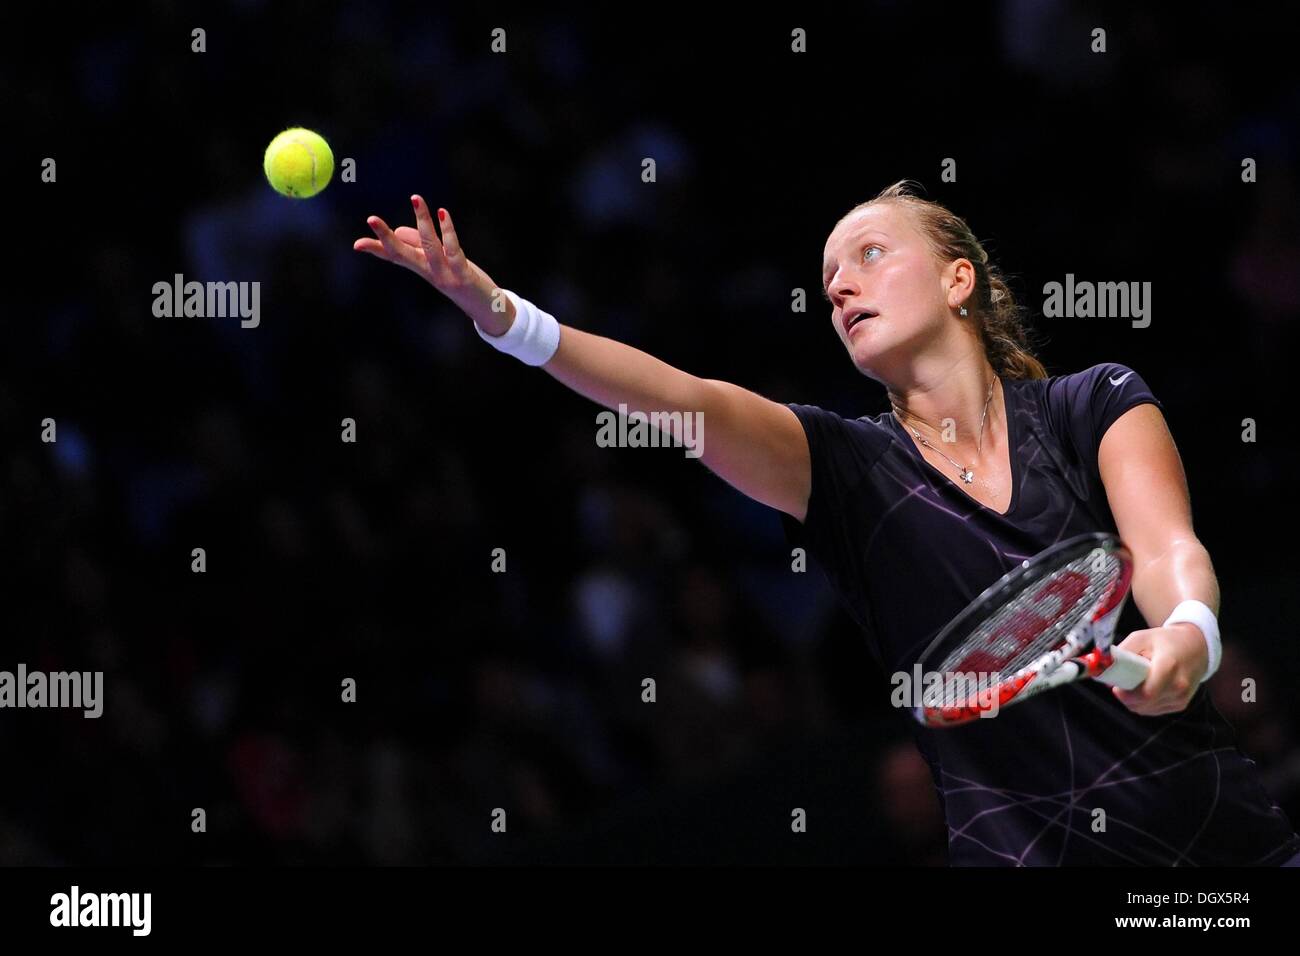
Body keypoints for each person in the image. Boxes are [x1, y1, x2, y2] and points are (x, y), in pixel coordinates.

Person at [353, 181, 1300, 866]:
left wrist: (1190, 635)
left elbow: (1170, 547)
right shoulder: (845, 472)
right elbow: (682, 398)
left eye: (870, 256)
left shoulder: (1094, 404)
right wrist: (501, 314)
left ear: (960, 278)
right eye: (827, 278)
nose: (840, 287)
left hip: (1220, 849)